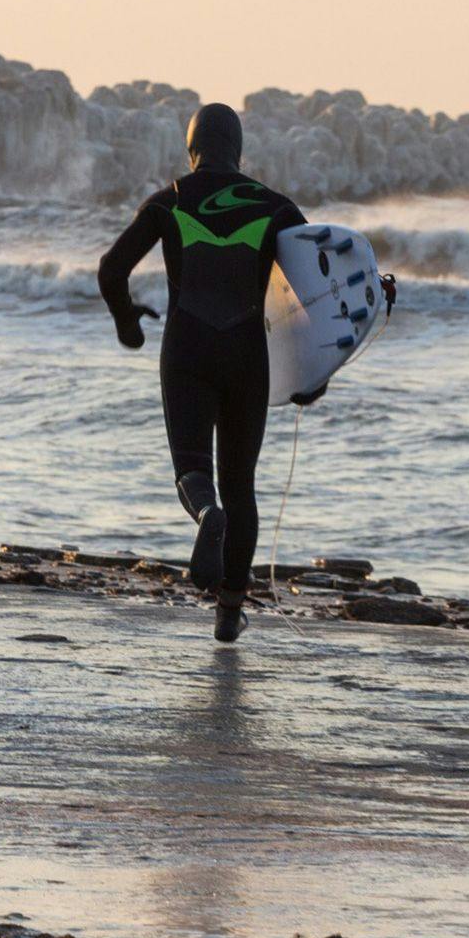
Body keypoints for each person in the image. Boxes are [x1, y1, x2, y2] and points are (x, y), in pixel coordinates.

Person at [97, 102, 308, 642]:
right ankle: (229, 609)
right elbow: (316, 294)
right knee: (242, 485)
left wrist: (128, 325)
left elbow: (111, 268)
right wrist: (312, 372)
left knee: (194, 471)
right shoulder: (277, 208)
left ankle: (204, 513)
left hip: (187, 348)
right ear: (238, 150)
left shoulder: (170, 199)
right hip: (246, 354)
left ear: (191, 148)